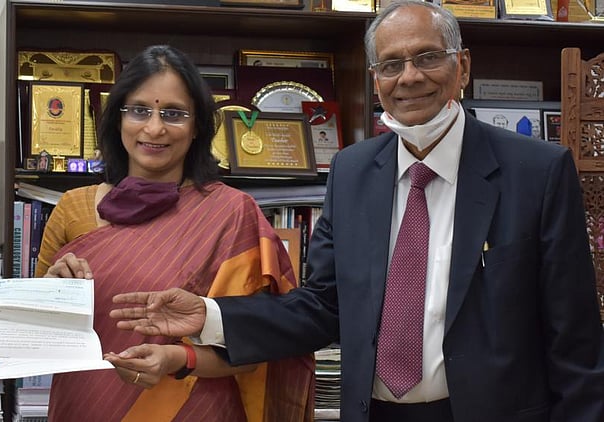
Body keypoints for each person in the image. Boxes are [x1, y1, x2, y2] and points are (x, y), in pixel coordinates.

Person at [109, 2, 604, 421]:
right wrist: (209, 316)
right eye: (390, 65)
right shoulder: (351, 171)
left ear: (463, 66)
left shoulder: (537, 172)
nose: (409, 77)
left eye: (427, 57)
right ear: (376, 79)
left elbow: (575, 339)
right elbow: (323, 307)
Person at [37, 45, 315, 421]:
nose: (154, 128)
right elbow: (37, 337)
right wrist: (51, 294)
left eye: (174, 114)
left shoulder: (232, 215)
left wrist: (176, 357)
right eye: (139, 110)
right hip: (86, 404)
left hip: (197, 409)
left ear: (198, 125)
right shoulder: (74, 208)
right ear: (117, 118)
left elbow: (256, 347)